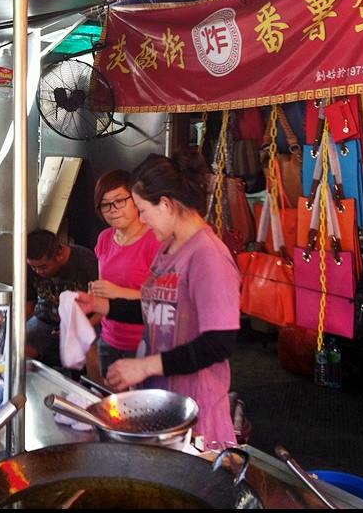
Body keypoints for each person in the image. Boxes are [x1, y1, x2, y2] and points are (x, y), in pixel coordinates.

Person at [77, 151, 241, 445]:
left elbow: (219, 342)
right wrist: (104, 306)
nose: (141, 219)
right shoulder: (168, 251)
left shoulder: (208, 256)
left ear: (166, 205)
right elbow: (158, 309)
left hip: (195, 412)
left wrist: (146, 365)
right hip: (160, 404)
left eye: (142, 210)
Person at [88, 170, 161, 377]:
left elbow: (162, 300)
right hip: (109, 338)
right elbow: (103, 295)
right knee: (110, 402)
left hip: (143, 343)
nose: (113, 210)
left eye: (120, 201)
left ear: (136, 200)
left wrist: (116, 291)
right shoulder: (104, 238)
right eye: (105, 204)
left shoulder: (154, 240)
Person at [26, 229, 98, 369]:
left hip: (84, 322)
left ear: (59, 255)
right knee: (18, 350)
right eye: (33, 268)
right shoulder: (31, 266)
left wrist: (73, 329)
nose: (38, 272)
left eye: (43, 267)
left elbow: (102, 306)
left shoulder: (85, 261)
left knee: (93, 356)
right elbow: (28, 303)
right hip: (44, 320)